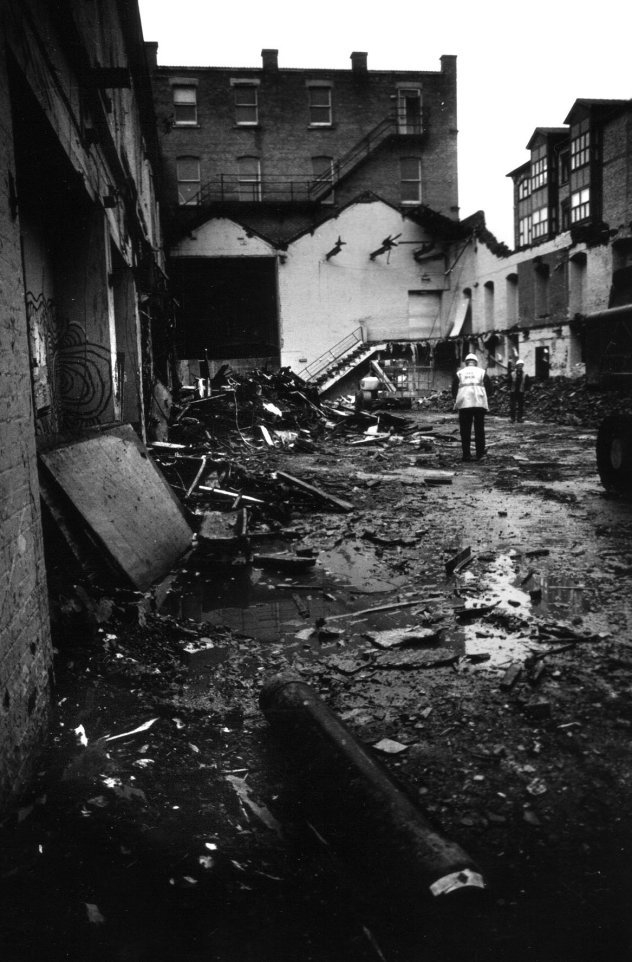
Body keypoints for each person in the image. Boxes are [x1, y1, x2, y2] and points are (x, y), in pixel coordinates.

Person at [452, 353, 493, 461]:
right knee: (479, 430)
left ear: (466, 363)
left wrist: (459, 399)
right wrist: (484, 397)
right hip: (479, 404)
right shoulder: (482, 372)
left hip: (464, 405)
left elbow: (454, 390)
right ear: (476, 362)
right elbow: (489, 389)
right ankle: (480, 454)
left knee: (465, 430)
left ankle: (466, 455)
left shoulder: (460, 373)